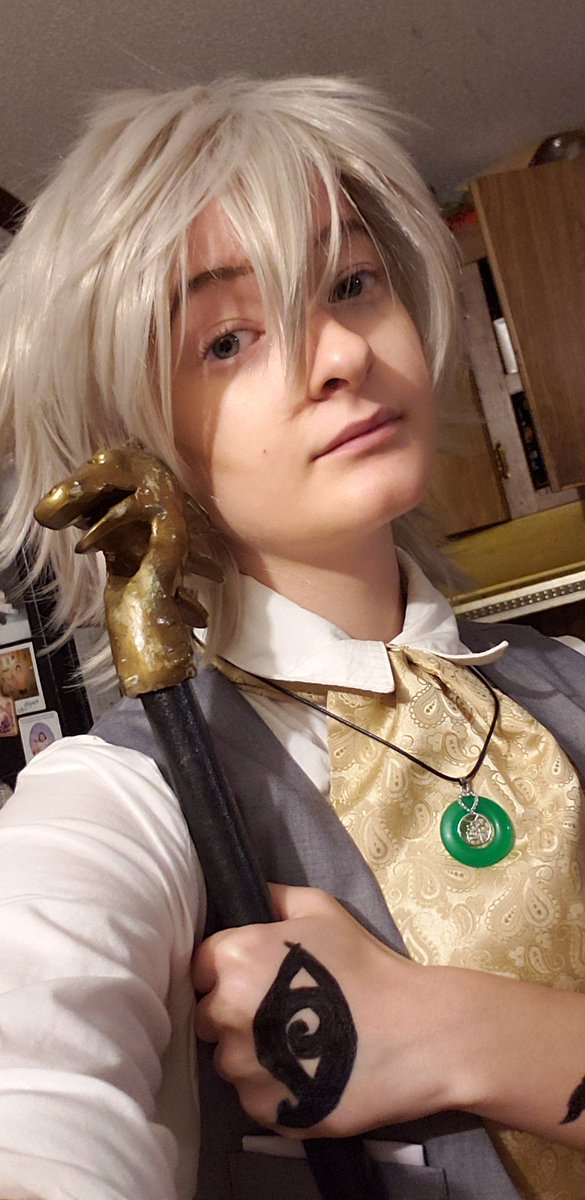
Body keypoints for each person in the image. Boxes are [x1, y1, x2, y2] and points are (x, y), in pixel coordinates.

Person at [0, 75, 584, 1200]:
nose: (341, 356)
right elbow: (33, 1078)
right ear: (130, 433)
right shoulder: (127, 795)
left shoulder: (573, 686)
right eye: (227, 340)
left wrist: (458, 1030)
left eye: (352, 283)